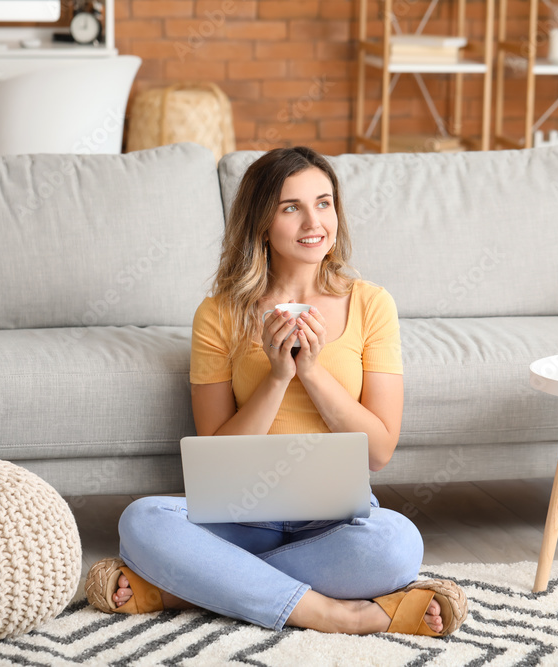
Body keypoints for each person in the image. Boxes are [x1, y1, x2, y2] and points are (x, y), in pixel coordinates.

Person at [85, 146, 468, 637]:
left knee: (395, 544)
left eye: (324, 203)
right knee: (142, 521)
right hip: (241, 513)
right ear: (261, 222)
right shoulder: (219, 313)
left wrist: (312, 372)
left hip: (335, 520)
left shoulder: (371, 303)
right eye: (292, 207)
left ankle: (184, 588)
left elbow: (379, 451)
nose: (314, 221)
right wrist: (276, 376)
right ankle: (335, 614)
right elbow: (215, 459)